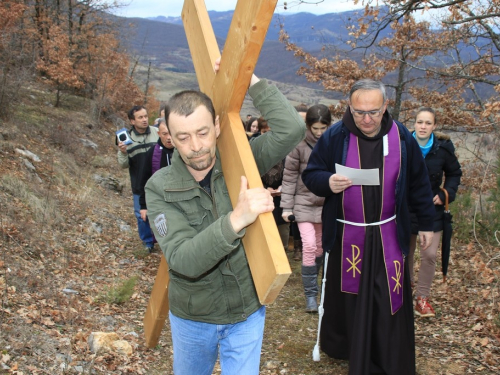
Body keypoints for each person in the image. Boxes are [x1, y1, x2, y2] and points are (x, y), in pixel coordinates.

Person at [145, 60, 305, 374]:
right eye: (183, 138)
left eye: (203, 133)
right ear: (170, 138)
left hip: (246, 312)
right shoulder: (159, 187)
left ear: (217, 125)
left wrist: (248, 76)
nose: (196, 147)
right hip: (194, 317)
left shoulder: (242, 159)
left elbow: (292, 129)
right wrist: (237, 219)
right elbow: (182, 259)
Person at [302, 79, 435, 374]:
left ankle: (385, 354)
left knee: (388, 296)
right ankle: (350, 348)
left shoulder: (401, 137)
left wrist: (426, 222)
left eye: (373, 112)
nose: (366, 119)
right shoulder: (336, 136)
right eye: (359, 111)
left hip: (388, 232)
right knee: (351, 297)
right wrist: (328, 182)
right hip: (349, 233)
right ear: (350, 107)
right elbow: (311, 174)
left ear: (385, 106)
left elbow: (418, 183)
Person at [408, 107, 462, 317]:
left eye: (427, 123)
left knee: (429, 254)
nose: (423, 126)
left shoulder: (443, 149)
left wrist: (446, 192)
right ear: (414, 123)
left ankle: (422, 298)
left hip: (432, 210)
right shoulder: (403, 144)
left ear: (434, 126)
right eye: (420, 122)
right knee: (406, 252)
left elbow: (455, 173)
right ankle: (405, 288)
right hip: (406, 208)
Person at [281, 104, 332, 313]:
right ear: (308, 126)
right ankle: (310, 296)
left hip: (326, 203)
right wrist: (286, 207)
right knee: (309, 245)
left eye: (323, 128)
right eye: (315, 128)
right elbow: (290, 176)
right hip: (303, 203)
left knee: (320, 247)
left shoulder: (335, 142)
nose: (319, 133)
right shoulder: (298, 145)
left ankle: (318, 291)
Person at [117, 105, 159, 252]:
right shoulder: (127, 139)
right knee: (142, 215)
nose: (144, 120)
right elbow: (123, 164)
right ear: (132, 121)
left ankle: (164, 239)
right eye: (140, 117)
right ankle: (148, 243)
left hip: (159, 182)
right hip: (139, 184)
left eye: (146, 116)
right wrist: (122, 152)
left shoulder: (157, 132)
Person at [137, 118, 175, 252]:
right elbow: (144, 181)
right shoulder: (151, 153)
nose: (169, 138)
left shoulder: (183, 151)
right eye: (165, 134)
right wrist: (143, 206)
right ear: (159, 134)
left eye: (171, 133)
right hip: (160, 200)